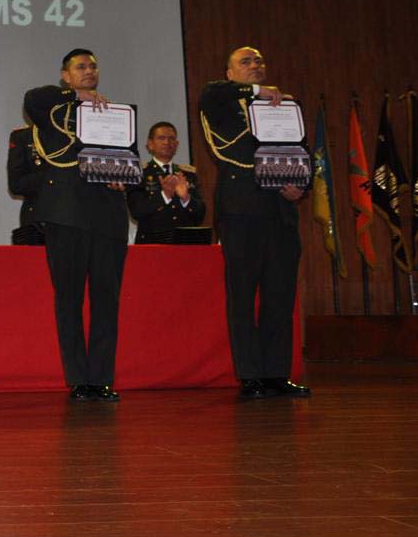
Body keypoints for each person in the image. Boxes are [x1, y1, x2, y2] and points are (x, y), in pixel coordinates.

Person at [200, 46, 310, 400]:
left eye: (259, 61)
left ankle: (277, 373)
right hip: (241, 210)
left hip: (280, 211)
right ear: (230, 72)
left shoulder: (285, 106)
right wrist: (256, 93)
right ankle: (251, 376)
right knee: (243, 296)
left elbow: (301, 152)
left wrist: (300, 188)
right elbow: (210, 92)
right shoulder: (222, 101)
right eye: (245, 62)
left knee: (280, 295)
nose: (255, 66)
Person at [23, 48, 131, 403]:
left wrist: (123, 177)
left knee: (106, 299)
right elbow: (32, 98)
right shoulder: (55, 107)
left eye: (93, 66)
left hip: (108, 215)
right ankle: (78, 379)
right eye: (80, 67)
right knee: (69, 299)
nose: (89, 71)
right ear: (65, 76)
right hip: (66, 214)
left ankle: (100, 378)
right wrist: (76, 96)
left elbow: (129, 158)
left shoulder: (112, 113)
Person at [126, 121, 206, 244]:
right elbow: (137, 211)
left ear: (177, 144)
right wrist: (164, 196)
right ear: (150, 144)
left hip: (185, 244)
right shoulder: (139, 173)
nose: (167, 142)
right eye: (161, 138)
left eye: (171, 138)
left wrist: (186, 198)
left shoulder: (188, 174)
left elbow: (200, 215)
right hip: (153, 244)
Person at [7, 124, 45, 244]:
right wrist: (54, 175)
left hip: (77, 220)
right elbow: (16, 184)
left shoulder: (80, 134)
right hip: (38, 222)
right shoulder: (25, 136)